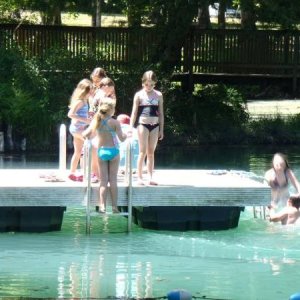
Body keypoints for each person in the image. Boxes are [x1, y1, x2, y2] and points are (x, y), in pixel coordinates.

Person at [83, 99, 127, 213]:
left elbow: (85, 134)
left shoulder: (96, 121)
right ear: (112, 110)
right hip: (114, 152)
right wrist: (126, 135)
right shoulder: (115, 122)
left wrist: (89, 139)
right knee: (113, 180)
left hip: (102, 151)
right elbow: (121, 139)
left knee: (103, 181)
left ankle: (102, 206)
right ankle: (114, 207)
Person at [129, 70, 164, 185]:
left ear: (155, 83)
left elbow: (161, 113)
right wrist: (130, 127)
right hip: (142, 125)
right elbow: (134, 112)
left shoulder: (158, 95)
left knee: (151, 152)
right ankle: (139, 177)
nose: (149, 87)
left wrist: (161, 129)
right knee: (142, 152)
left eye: (152, 84)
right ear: (143, 83)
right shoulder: (139, 94)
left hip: (154, 125)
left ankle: (150, 177)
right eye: (147, 84)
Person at [67, 79, 93, 181]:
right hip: (77, 129)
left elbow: (80, 114)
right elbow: (70, 114)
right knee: (91, 146)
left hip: (78, 129)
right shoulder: (80, 101)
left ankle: (72, 173)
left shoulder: (85, 101)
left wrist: (88, 116)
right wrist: (85, 120)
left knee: (78, 152)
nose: (91, 93)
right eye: (89, 91)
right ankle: (87, 171)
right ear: (84, 91)